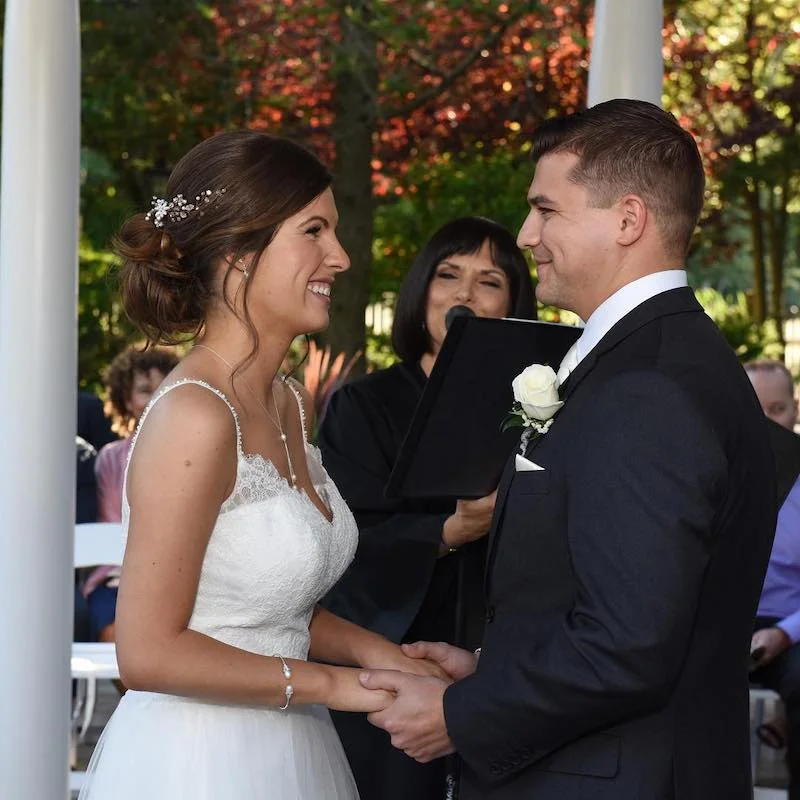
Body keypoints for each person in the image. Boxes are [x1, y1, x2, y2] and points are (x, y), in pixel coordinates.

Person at [359, 99, 777, 800]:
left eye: (546, 210)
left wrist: (462, 714)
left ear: (628, 219)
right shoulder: (654, 357)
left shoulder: (649, 386)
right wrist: (496, 667)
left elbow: (630, 646)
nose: (526, 235)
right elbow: (633, 601)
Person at [78, 130, 444, 800]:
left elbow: (258, 600)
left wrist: (374, 653)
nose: (339, 255)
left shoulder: (285, 400)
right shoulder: (195, 414)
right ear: (240, 254)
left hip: (292, 742)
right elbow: (149, 652)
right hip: (200, 761)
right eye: (314, 231)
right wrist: (337, 686)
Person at [318, 216, 536, 800]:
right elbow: (343, 540)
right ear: (421, 294)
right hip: (395, 652)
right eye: (448, 275)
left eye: (489, 281)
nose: (464, 293)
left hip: (502, 664)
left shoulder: (540, 410)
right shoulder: (363, 408)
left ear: (513, 304)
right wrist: (448, 530)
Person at [82, 346, 179, 645]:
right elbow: (111, 522)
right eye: (144, 390)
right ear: (126, 399)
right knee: (115, 635)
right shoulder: (110, 459)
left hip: (178, 576)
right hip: (117, 577)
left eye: (164, 388)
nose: (155, 397)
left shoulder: (192, 453)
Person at [746, 359, 800, 797]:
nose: (766, 423)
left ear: (795, 410)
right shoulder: (706, 474)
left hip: (791, 627)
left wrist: (784, 634)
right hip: (721, 623)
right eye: (753, 408)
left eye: (777, 409)